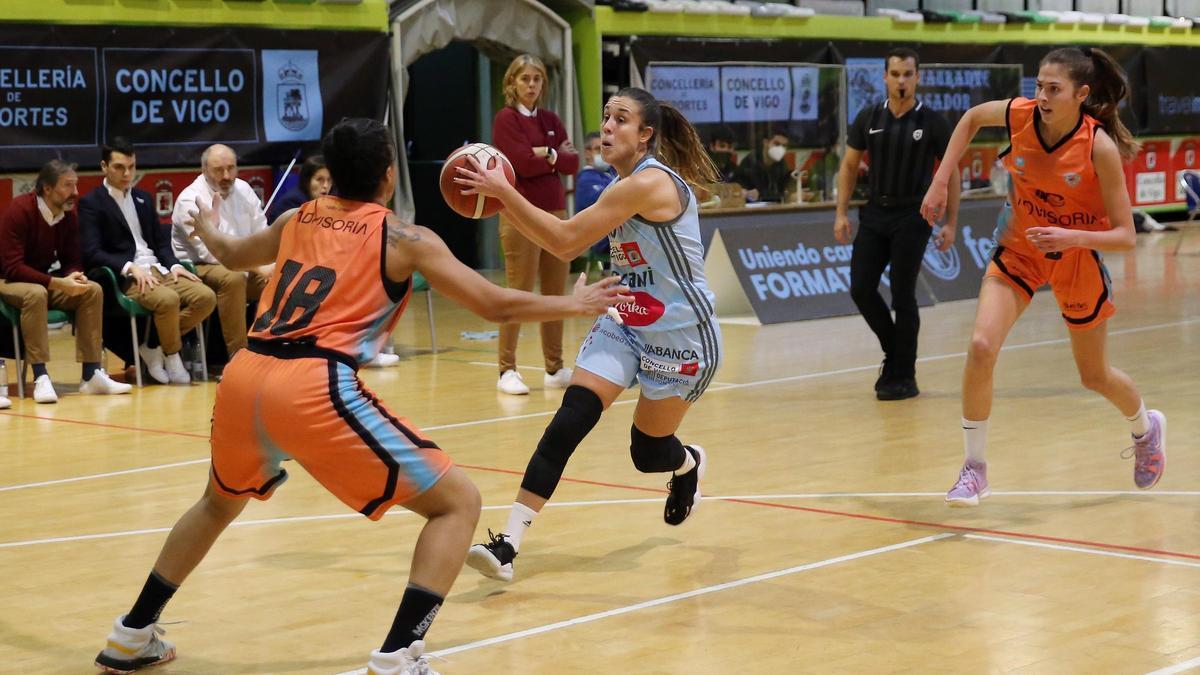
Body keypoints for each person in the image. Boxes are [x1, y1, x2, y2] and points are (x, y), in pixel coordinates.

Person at [91, 117, 628, 675]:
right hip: (312, 384)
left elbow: (231, 255)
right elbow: (493, 304)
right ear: (389, 177)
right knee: (458, 504)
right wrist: (576, 302)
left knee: (217, 503)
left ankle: (131, 635)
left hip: (245, 375)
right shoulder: (404, 237)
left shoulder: (298, 216)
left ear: (331, 176)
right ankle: (399, 656)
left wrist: (203, 227)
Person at [455, 86, 723, 583]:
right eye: (605, 117)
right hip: (624, 318)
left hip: (682, 335)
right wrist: (502, 200)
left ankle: (686, 464)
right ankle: (508, 544)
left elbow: (564, 240)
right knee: (570, 419)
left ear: (645, 136)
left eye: (621, 119)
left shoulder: (648, 184)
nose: (607, 127)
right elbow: (560, 241)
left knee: (647, 454)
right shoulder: (614, 182)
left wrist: (502, 194)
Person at [920, 47, 1166, 506]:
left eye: (1054, 89)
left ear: (1082, 94)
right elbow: (972, 117)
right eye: (1039, 86)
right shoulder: (1021, 116)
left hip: (1076, 256)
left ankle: (1145, 429)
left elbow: (1126, 235)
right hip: (1019, 249)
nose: (1043, 96)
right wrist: (941, 177)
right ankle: (975, 469)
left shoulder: (1099, 147)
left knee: (1093, 375)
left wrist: (1070, 236)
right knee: (980, 346)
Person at [834, 47, 960, 400]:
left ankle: (904, 374)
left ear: (918, 77)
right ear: (885, 77)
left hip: (913, 216)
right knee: (861, 287)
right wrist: (841, 212)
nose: (901, 80)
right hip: (875, 214)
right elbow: (848, 166)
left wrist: (950, 223)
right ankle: (896, 355)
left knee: (903, 294)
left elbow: (951, 174)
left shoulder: (933, 122)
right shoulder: (868, 116)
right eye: (895, 74)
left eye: (908, 74)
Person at [80, 138, 216, 385]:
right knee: (168, 300)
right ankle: (173, 356)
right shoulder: (92, 203)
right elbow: (91, 252)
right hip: (127, 276)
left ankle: (153, 343)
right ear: (104, 167)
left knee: (205, 297)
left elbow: (161, 243)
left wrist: (174, 265)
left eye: (131, 166)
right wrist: (128, 266)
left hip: (159, 269)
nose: (127, 173)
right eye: (120, 167)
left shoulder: (143, 197)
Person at [0, 160, 131, 404]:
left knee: (91, 289)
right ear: (47, 189)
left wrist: (75, 275)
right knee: (36, 293)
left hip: (42, 281)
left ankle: (91, 374)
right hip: (7, 280)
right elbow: (13, 268)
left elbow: (72, 258)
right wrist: (59, 284)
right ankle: (40, 376)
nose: (76, 192)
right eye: (68, 185)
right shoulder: (20, 210)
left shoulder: (68, 215)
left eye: (76, 184)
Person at [491, 53, 580, 395]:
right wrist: (550, 154)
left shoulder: (551, 118)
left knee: (556, 294)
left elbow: (572, 162)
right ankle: (506, 370)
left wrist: (549, 153)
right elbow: (522, 164)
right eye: (525, 78)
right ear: (512, 82)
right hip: (519, 215)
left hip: (556, 214)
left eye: (537, 79)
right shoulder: (506, 119)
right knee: (519, 292)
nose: (531, 85)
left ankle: (554, 368)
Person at [172, 144, 271, 363]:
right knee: (233, 279)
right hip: (199, 267)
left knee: (280, 277)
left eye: (231, 168)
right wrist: (256, 266)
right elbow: (210, 254)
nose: (227, 176)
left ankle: (271, 350)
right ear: (204, 169)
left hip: (243, 261)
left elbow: (262, 232)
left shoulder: (244, 190)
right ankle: (239, 359)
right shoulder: (190, 199)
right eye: (219, 170)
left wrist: (269, 265)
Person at [577, 131, 617, 270]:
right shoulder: (586, 179)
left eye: (606, 147)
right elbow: (611, 203)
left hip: (615, 234)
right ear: (587, 152)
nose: (602, 153)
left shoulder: (611, 174)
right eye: (597, 149)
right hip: (601, 240)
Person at [265, 154, 331, 223]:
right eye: (320, 179)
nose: (325, 185)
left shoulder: (330, 202)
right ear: (307, 181)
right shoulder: (292, 202)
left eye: (329, 180)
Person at [732, 129, 791, 202]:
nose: (780, 149)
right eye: (777, 144)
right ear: (766, 142)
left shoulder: (782, 164)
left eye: (784, 146)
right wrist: (747, 193)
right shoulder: (750, 162)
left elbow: (784, 190)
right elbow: (739, 190)